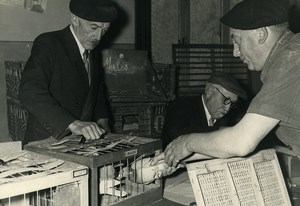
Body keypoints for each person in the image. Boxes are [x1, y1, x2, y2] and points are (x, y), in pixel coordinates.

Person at [152, 0, 300, 170]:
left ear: (261, 34)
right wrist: (176, 154)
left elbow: (241, 141)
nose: (235, 52)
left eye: (237, 41)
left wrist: (186, 143)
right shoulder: (290, 54)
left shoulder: (291, 60)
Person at [19, 0, 118, 144]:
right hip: (47, 140)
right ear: (75, 19)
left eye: (104, 30)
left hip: (78, 142)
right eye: (93, 27)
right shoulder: (48, 43)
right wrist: (73, 124)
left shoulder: (93, 51)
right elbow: (29, 91)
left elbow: (97, 92)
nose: (98, 37)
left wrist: (103, 123)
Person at [161, 75, 247, 149]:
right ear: (210, 91)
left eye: (232, 104)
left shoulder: (224, 119)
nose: (227, 109)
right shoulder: (181, 105)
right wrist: (221, 132)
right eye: (226, 100)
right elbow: (176, 135)